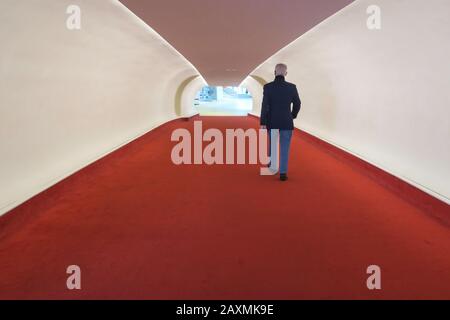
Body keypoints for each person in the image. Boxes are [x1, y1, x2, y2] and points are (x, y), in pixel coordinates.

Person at [260, 63, 301, 181]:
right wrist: (292, 115)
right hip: (286, 122)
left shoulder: (268, 87)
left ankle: (273, 167)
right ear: (286, 73)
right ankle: (283, 173)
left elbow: (264, 105)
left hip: (272, 121)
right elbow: (297, 104)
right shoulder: (292, 87)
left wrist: (263, 121)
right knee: (285, 147)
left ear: (274, 72)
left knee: (273, 145)